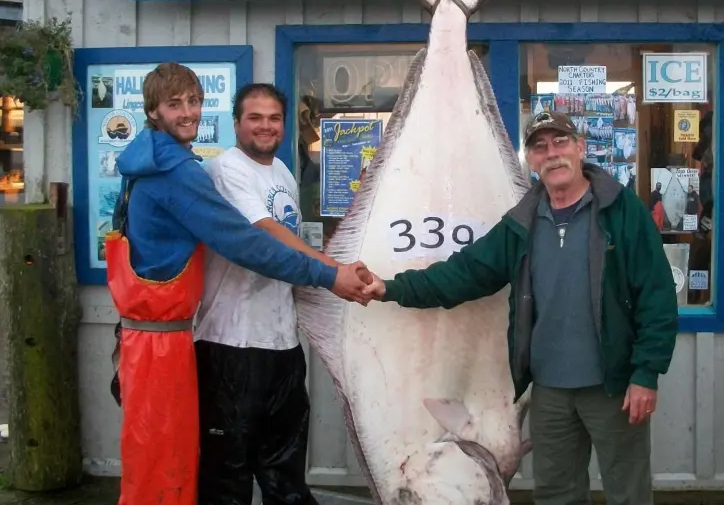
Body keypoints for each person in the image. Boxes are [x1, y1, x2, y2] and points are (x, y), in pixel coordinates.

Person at [362, 111, 679, 505]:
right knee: (556, 494)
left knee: (628, 492)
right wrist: (390, 288)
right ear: (530, 159)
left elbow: (657, 296)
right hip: (549, 392)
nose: (552, 153)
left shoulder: (623, 211)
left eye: (561, 142)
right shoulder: (521, 223)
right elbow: (464, 274)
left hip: (613, 387)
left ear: (580, 148)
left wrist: (646, 372)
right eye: (540, 146)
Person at [105, 63, 371, 505]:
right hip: (202, 344)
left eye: (193, 101)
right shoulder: (181, 172)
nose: (187, 112)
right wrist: (331, 274)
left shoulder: (175, 163)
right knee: (186, 472)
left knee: (258, 472)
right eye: (175, 104)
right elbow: (250, 244)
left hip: (252, 342)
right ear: (153, 111)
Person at [193, 83, 337, 505]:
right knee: (227, 474)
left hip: (281, 342)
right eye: (254, 117)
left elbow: (291, 239)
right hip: (230, 345)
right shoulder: (224, 171)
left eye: (274, 118)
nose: (265, 126)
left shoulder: (282, 172)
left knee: (286, 470)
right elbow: (265, 233)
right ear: (236, 123)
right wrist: (331, 271)